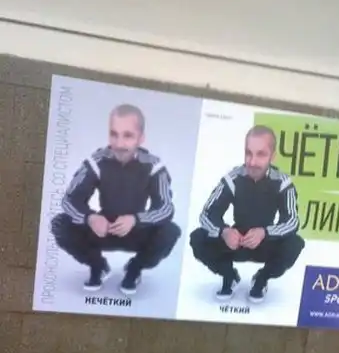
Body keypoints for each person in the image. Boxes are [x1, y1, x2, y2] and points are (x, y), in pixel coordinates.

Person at [52, 104, 181, 295]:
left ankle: (135, 268)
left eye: (128, 135)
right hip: (103, 228)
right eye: (114, 134)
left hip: (136, 229)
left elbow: (166, 208)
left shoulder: (154, 165)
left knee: (170, 231)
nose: (119, 144)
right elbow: (69, 200)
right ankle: (98, 265)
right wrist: (90, 218)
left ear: (141, 138)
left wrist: (136, 220)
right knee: (59, 223)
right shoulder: (96, 161)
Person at [190, 125, 305, 303]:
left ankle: (261, 279)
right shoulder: (233, 178)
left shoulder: (282, 182)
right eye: (248, 153)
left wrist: (264, 232)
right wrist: (224, 232)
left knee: (295, 243)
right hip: (237, 241)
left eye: (261, 154)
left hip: (266, 241)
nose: (252, 161)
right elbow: (207, 214)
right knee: (197, 237)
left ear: (273, 156)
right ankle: (229, 276)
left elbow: (292, 221)